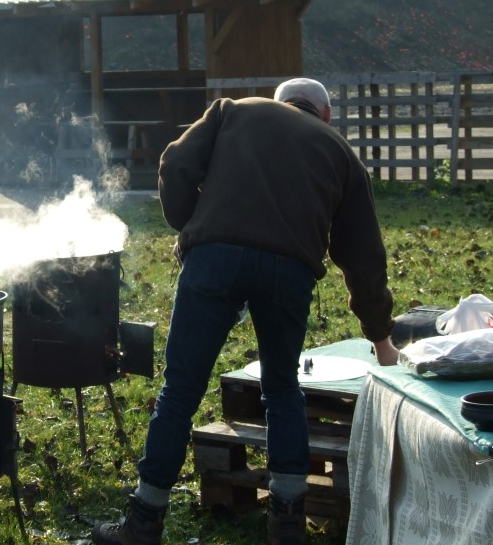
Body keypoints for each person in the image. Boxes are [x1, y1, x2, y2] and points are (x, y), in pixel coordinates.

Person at [91, 78, 401, 545]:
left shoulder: (233, 110)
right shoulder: (339, 151)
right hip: (290, 271)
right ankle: (288, 524)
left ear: (278, 103)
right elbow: (363, 254)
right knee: (282, 388)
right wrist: (380, 336)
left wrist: (191, 227)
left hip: (214, 259)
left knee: (180, 390)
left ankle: (144, 521)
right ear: (326, 114)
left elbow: (175, 163)